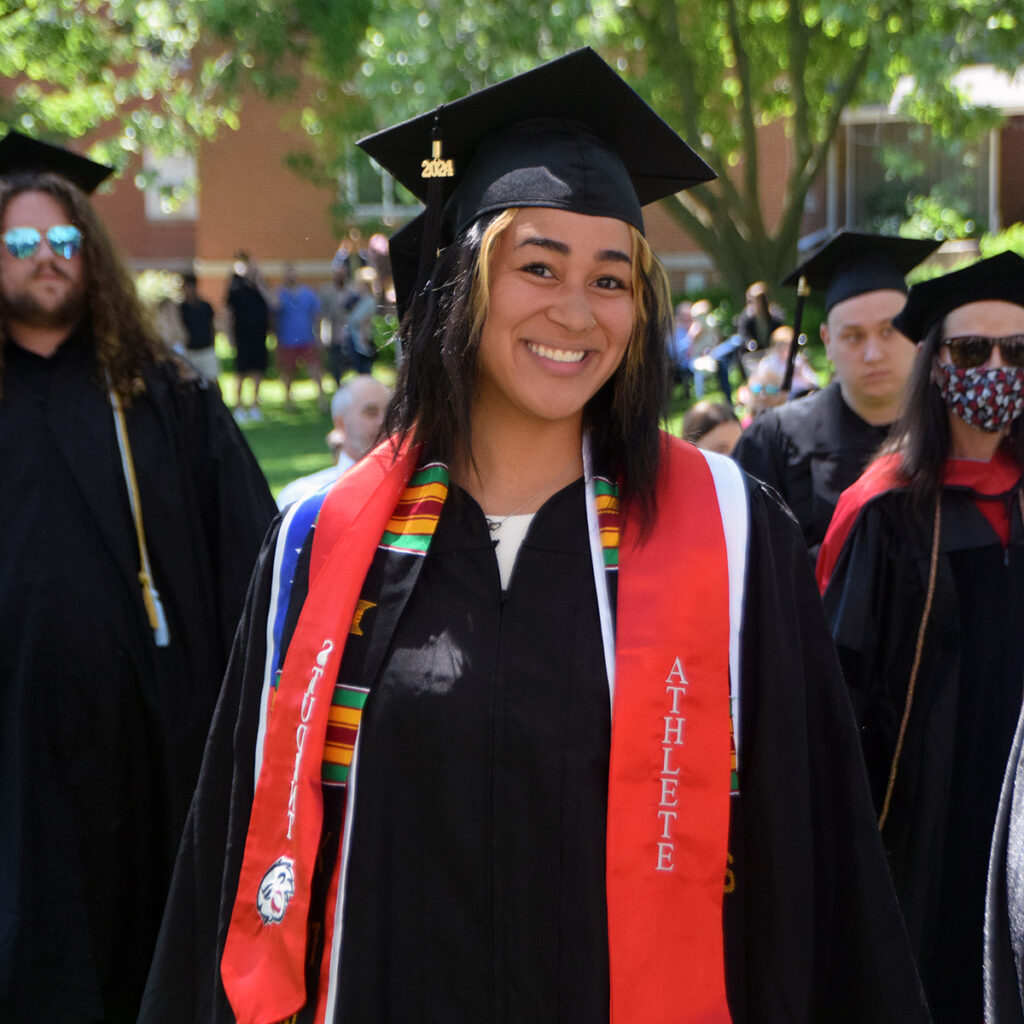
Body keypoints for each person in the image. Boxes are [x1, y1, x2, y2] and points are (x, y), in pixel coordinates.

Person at [140, 48, 928, 1024]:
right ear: (461, 284)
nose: (574, 309)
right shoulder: (321, 541)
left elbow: (813, 854)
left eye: (611, 279)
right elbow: (237, 849)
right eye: (538, 265)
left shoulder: (731, 539)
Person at [0, 130, 277, 1024]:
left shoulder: (163, 397)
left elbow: (254, 562)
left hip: (151, 748)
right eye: (19, 242)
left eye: (65, 240)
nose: (48, 256)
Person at [816, 251, 1024, 1023]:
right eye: (972, 350)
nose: (996, 368)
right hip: (920, 818)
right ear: (935, 366)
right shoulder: (886, 509)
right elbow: (837, 692)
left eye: (1017, 352)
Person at [733, 230, 939, 555]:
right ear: (827, 342)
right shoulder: (773, 441)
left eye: (890, 331)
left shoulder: (950, 430)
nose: (873, 353)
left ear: (916, 332)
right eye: (854, 336)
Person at [276, 373, 391, 509]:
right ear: (341, 424)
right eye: (371, 412)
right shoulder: (301, 498)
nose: (384, 421)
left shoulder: (415, 490)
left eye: (391, 412)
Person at [225, 250, 271, 421]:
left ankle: (254, 406)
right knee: (241, 372)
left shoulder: (261, 287)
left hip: (259, 335)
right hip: (242, 335)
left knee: (258, 370)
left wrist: (259, 284)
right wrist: (229, 336)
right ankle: (238, 406)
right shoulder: (235, 287)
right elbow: (228, 313)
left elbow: (273, 303)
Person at [275, 263, 325, 411]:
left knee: (314, 369)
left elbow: (317, 315)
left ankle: (322, 399)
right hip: (287, 340)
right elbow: (273, 315)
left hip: (307, 338)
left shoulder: (307, 293)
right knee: (288, 372)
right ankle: (288, 401)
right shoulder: (280, 295)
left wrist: (319, 335)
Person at [319, 247, 357, 385]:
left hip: (350, 334)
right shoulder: (326, 291)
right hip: (333, 334)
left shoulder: (352, 291)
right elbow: (323, 314)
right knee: (335, 365)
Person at [179, 270, 219, 382]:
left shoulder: (205, 306)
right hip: (190, 351)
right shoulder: (181, 308)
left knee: (212, 381)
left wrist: (213, 344)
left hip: (206, 349)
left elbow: (213, 326)